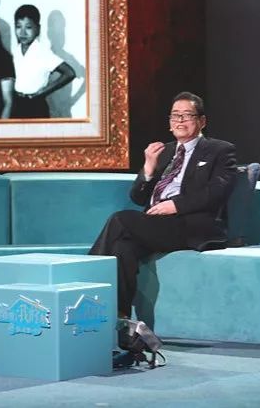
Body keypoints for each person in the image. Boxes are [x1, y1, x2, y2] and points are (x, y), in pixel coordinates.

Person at [89, 91, 237, 319]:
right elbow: (138, 198)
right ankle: (120, 317)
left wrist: (175, 205)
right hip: (156, 223)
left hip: (189, 224)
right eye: (175, 115)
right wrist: (148, 168)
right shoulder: (164, 151)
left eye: (187, 115)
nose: (180, 121)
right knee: (122, 248)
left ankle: (87, 281)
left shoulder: (220, 150)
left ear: (202, 121)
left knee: (120, 219)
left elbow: (217, 192)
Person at [11, 4, 75, 118]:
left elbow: (69, 73)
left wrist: (42, 92)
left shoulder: (43, 52)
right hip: (16, 104)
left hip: (35, 105)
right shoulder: (15, 51)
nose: (23, 32)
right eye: (18, 27)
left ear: (38, 29)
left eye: (28, 27)